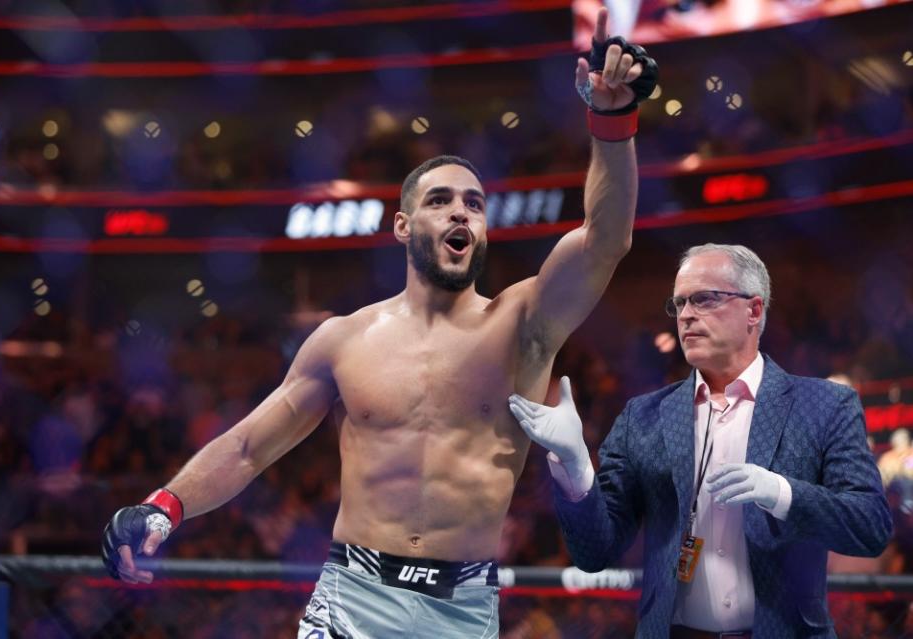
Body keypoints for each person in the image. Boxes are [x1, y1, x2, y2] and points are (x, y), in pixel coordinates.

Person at [100, 8, 658, 637]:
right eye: (440, 201)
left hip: (462, 607)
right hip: (350, 598)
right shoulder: (343, 340)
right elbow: (250, 445)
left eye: (474, 205)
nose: (461, 214)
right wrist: (163, 505)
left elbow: (605, 240)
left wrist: (612, 121)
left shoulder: (523, 323)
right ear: (401, 226)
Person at [510, 243, 892, 638]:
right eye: (679, 304)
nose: (687, 315)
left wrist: (781, 493)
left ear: (754, 311)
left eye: (705, 299)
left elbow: (871, 527)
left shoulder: (824, 406)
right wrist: (575, 465)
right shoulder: (643, 417)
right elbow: (594, 553)